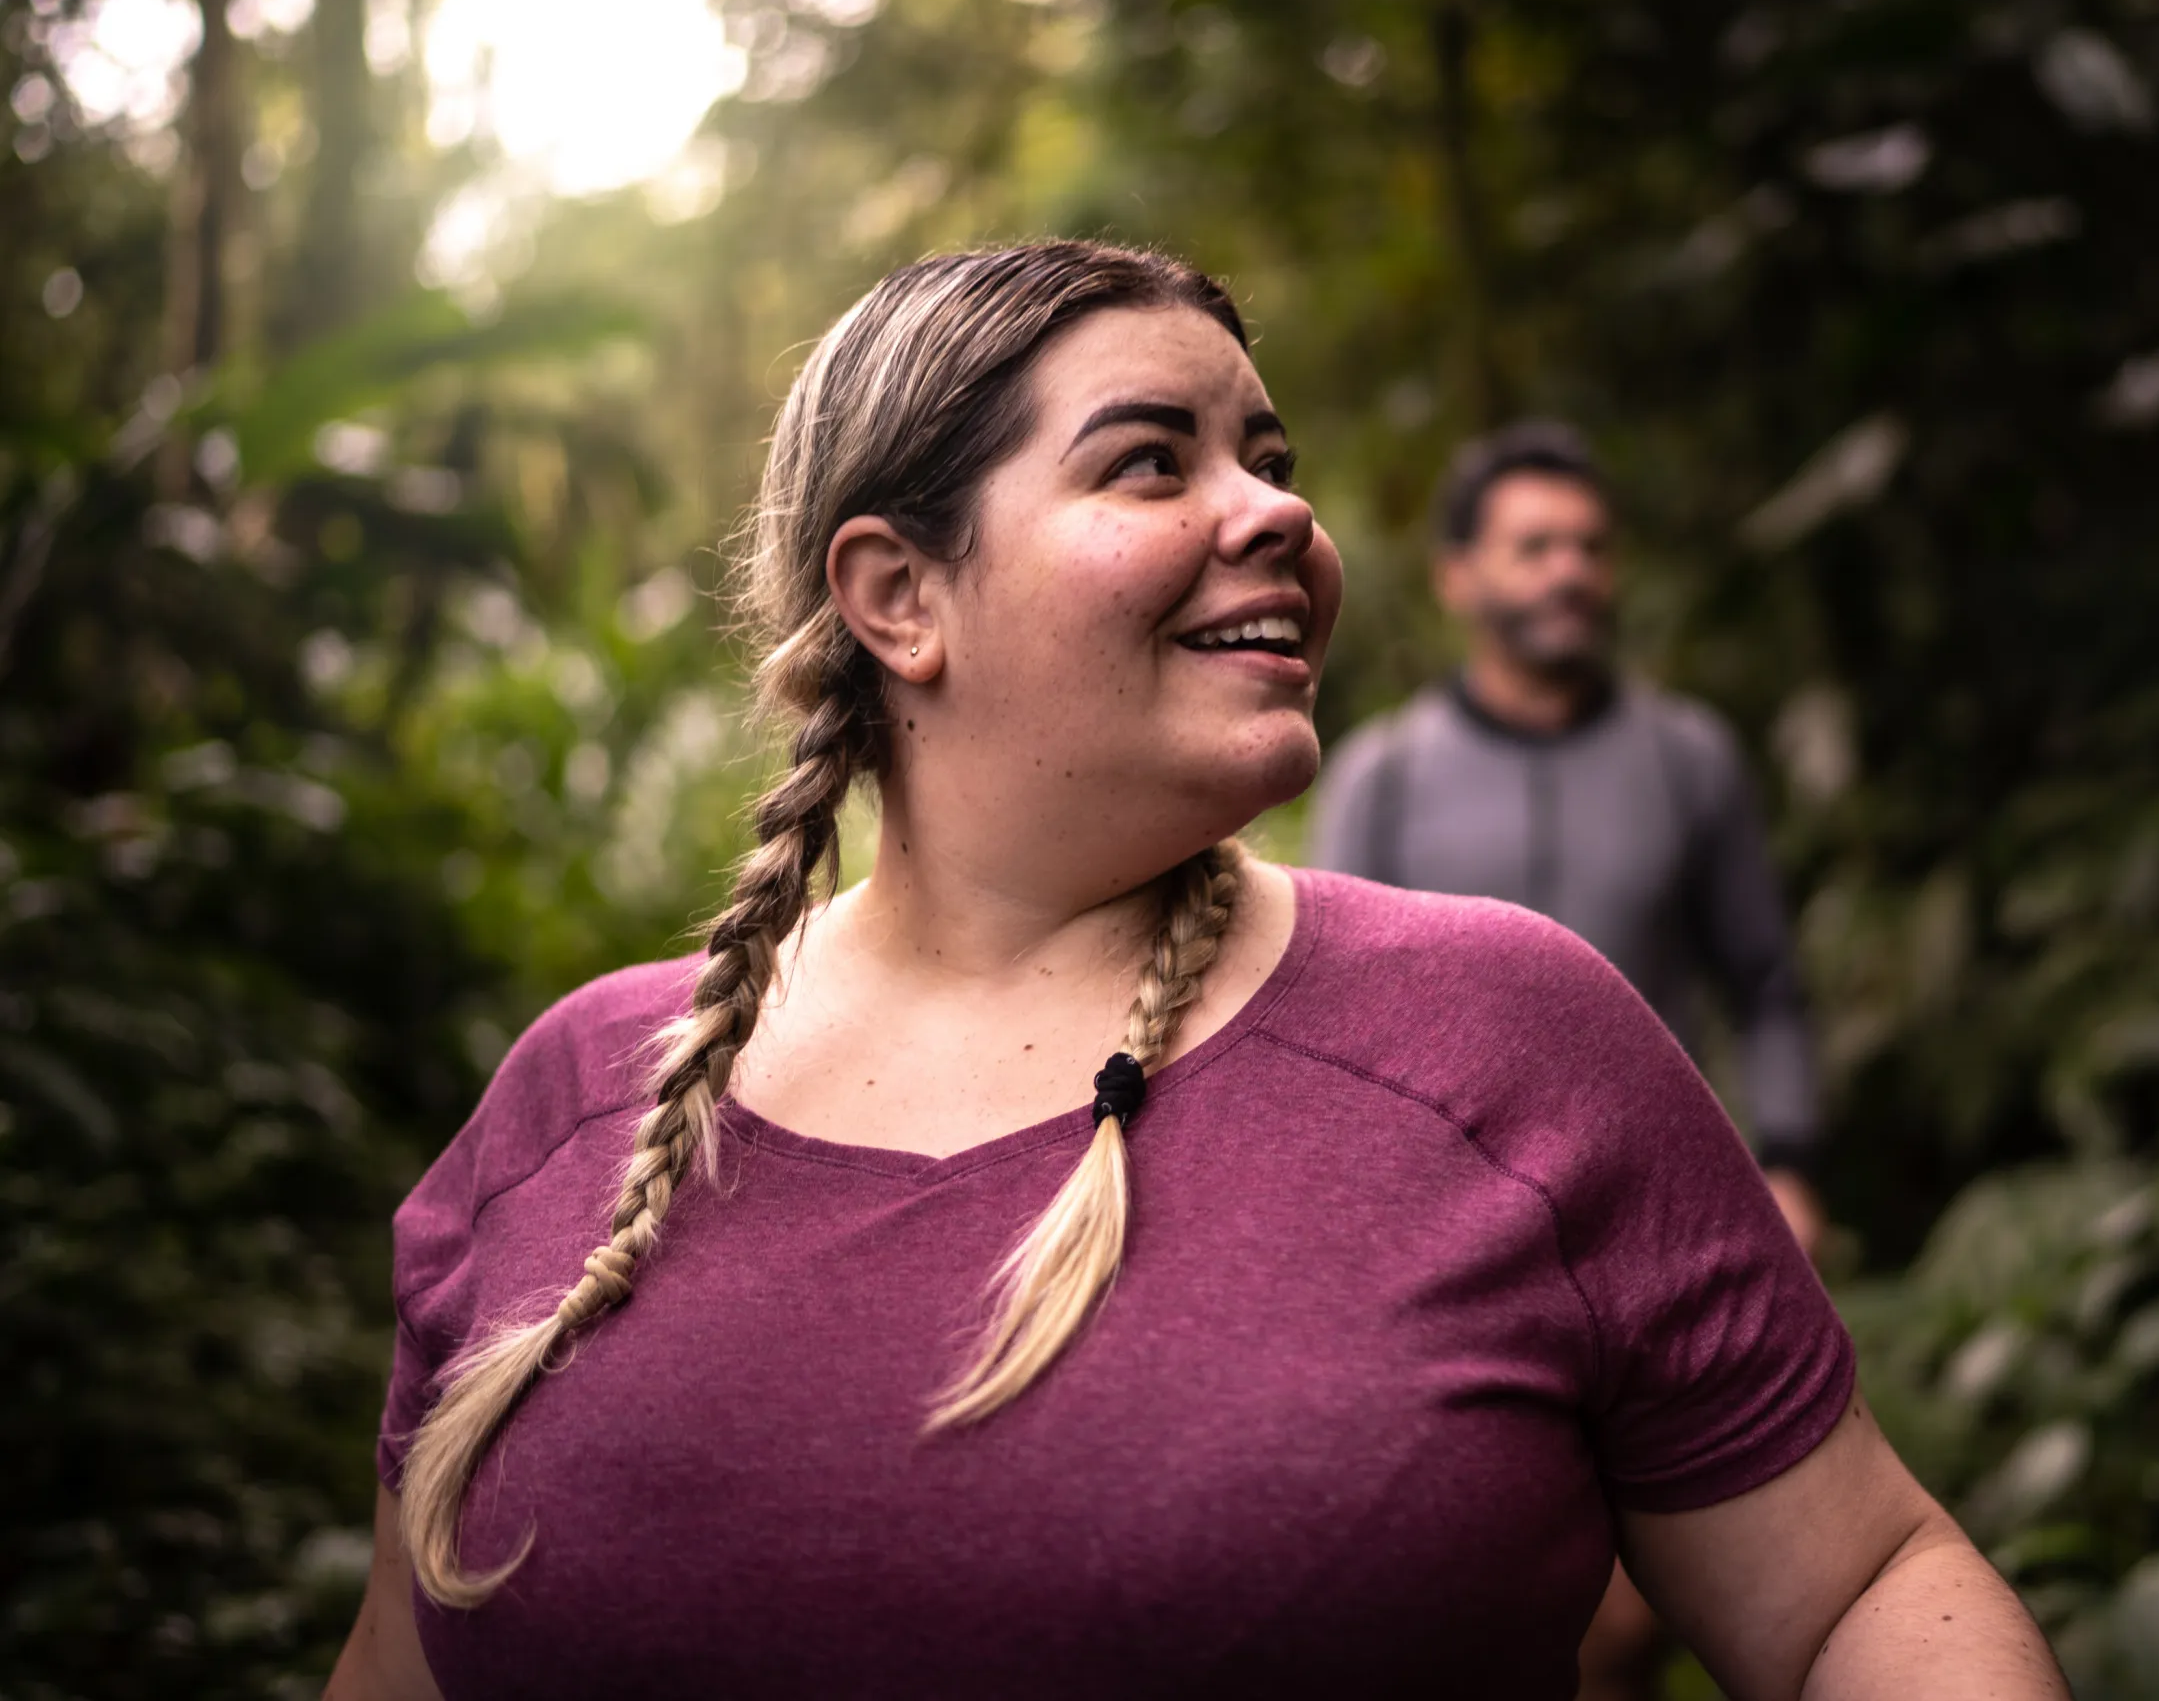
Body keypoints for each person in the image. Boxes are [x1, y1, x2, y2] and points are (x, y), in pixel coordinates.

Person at [325, 242, 2066, 1701]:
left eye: (1271, 457)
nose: (1283, 520)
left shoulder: (1516, 1037)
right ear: (898, 595)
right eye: (1154, 460)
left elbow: (1857, 1588)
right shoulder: (574, 1099)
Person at [1309, 422, 1829, 1252]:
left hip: (1666, 1216)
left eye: (1591, 548)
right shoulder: (1386, 779)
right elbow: (1328, 1024)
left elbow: (1765, 983)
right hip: (1446, 1229)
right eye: (1535, 548)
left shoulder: (1688, 759)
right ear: (1458, 577)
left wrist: (1789, 1159)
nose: (1570, 573)